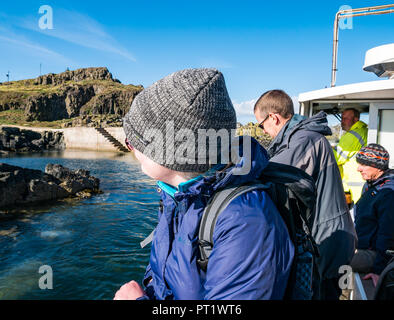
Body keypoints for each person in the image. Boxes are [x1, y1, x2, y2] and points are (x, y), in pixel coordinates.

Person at [114, 69, 295, 300]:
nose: (130, 147)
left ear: (173, 154)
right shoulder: (178, 197)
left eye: (133, 141)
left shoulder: (246, 223)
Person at [254, 89, 357, 300]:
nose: (263, 132)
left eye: (261, 125)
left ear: (273, 117)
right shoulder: (305, 137)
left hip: (326, 240)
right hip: (333, 236)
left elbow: (268, 176)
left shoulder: (302, 141)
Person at [350, 144, 394, 287]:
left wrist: (379, 270)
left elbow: (388, 235)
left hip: (376, 256)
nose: (358, 168)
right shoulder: (370, 185)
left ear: (378, 166)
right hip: (361, 246)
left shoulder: (387, 193)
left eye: (363, 164)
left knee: (332, 257)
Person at [333, 108, 368, 204]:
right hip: (363, 185)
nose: (342, 122)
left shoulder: (352, 135)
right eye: (342, 118)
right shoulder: (364, 131)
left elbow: (334, 158)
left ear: (356, 119)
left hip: (354, 188)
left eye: (345, 118)